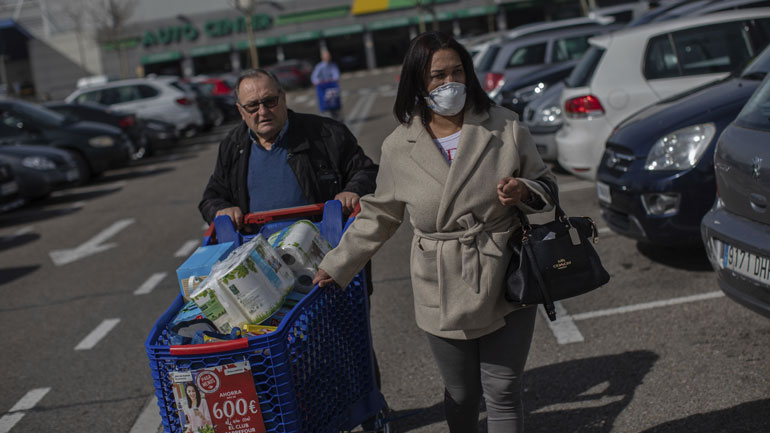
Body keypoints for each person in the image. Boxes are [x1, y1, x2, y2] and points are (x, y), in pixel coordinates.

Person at [313, 31, 557, 433]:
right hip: (439, 281)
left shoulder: (504, 126)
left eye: (457, 72)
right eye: (437, 76)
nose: (450, 84)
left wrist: (523, 191)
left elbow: (547, 187)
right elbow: (381, 214)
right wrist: (337, 264)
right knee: (462, 393)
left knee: (504, 389)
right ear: (417, 84)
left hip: (505, 272)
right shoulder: (399, 145)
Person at [198, 68, 377, 228]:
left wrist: (353, 190)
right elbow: (212, 197)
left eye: (270, 101)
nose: (263, 111)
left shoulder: (327, 133)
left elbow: (366, 171)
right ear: (241, 111)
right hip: (260, 257)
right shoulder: (232, 146)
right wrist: (221, 210)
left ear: (283, 98)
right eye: (252, 105)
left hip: (325, 250)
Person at [311, 49, 342, 121]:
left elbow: (336, 75)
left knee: (334, 104)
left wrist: (334, 79)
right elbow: (314, 77)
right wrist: (318, 82)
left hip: (332, 88)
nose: (328, 57)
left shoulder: (333, 65)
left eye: (329, 56)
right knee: (324, 106)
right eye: (326, 56)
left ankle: (337, 118)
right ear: (323, 57)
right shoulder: (319, 67)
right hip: (323, 88)